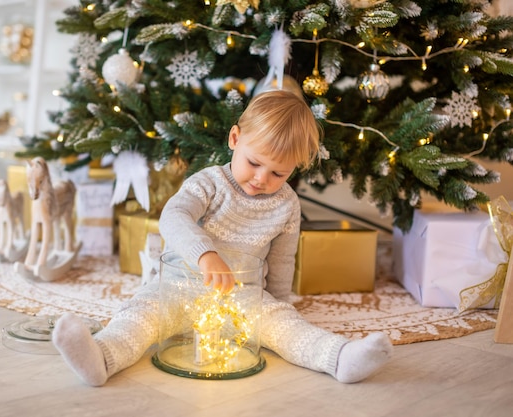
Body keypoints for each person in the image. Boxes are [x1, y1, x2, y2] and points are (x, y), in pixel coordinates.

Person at [52, 89, 392, 386]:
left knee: (284, 324)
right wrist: (205, 255)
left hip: (240, 299)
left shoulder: (287, 204)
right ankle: (101, 357)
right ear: (234, 139)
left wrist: (275, 304)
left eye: (279, 172)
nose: (262, 179)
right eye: (254, 163)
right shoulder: (210, 183)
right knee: (139, 317)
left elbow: (282, 259)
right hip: (176, 289)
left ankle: (339, 358)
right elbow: (173, 217)